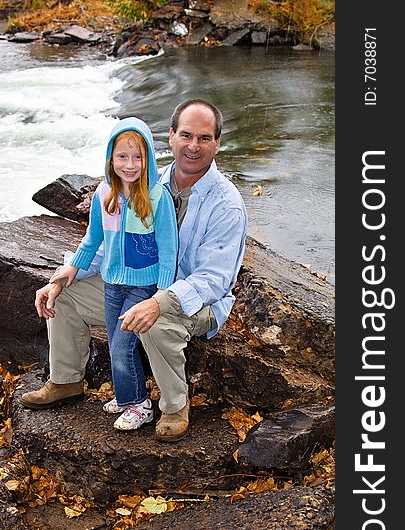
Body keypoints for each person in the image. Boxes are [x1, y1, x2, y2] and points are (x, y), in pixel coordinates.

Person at [20, 98, 248, 443]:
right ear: (170, 136)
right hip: (136, 283)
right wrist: (64, 274)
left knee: (153, 321)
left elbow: (214, 280)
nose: (193, 146)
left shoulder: (226, 203)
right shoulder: (141, 181)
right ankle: (66, 380)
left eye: (204, 138)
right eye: (186, 135)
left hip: (197, 301)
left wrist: (161, 300)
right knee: (63, 296)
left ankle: (174, 405)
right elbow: (109, 243)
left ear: (217, 143)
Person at [21, 117, 178, 432]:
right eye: (122, 157)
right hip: (112, 285)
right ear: (111, 158)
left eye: (138, 157)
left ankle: (140, 405)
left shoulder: (157, 198)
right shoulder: (104, 194)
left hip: (142, 287)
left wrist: (162, 294)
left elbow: (168, 252)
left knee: (122, 345)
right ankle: (124, 396)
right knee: (115, 342)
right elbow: (92, 241)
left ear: (148, 157)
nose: (130, 164)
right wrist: (66, 274)